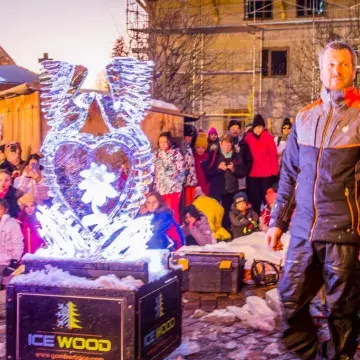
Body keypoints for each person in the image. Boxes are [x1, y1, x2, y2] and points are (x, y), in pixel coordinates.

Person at [266, 41, 360, 359]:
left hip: (345, 232)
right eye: (331, 64)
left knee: (341, 312)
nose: (336, 70)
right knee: (289, 298)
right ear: (321, 70)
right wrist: (278, 220)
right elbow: (290, 174)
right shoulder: (305, 117)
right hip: (305, 229)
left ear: (354, 70)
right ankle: (308, 355)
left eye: (343, 64)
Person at [202, 134, 251, 231]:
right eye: (224, 145)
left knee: (230, 212)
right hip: (217, 189)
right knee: (218, 212)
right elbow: (207, 171)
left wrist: (234, 169)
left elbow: (242, 172)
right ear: (220, 144)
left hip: (232, 190)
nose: (227, 147)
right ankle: (217, 232)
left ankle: (229, 232)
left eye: (229, 145)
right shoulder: (214, 154)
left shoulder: (236, 155)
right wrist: (218, 168)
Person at [245, 114, 278, 214]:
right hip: (253, 173)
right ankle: (255, 217)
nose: (259, 129)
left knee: (268, 198)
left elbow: (273, 155)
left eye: (261, 127)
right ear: (253, 127)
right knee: (254, 198)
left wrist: (274, 172)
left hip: (266, 173)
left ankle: (268, 217)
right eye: (258, 127)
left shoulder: (268, 137)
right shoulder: (248, 138)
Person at [153, 132, 185, 223]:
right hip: (160, 188)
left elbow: (181, 170)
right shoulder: (156, 155)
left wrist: (177, 181)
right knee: (161, 211)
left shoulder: (175, 153)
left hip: (173, 188)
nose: (162, 144)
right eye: (160, 142)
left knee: (172, 210)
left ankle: (175, 232)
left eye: (164, 142)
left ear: (169, 142)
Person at [0, 199, 23, 284]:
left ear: (5, 210)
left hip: (5, 261)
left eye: (0, 209)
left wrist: (14, 261)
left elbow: (17, 243)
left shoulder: (12, 224)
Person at [228, 119, 253, 191]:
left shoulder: (243, 143)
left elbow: (248, 160)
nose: (235, 130)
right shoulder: (224, 142)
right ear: (229, 129)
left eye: (237, 128)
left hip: (241, 180)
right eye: (233, 128)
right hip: (228, 182)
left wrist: (245, 171)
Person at [183, 125, 198, 205]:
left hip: (192, 180)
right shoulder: (183, 147)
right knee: (188, 202)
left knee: (192, 201)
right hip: (187, 181)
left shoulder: (189, 147)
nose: (189, 139)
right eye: (187, 136)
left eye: (190, 136)